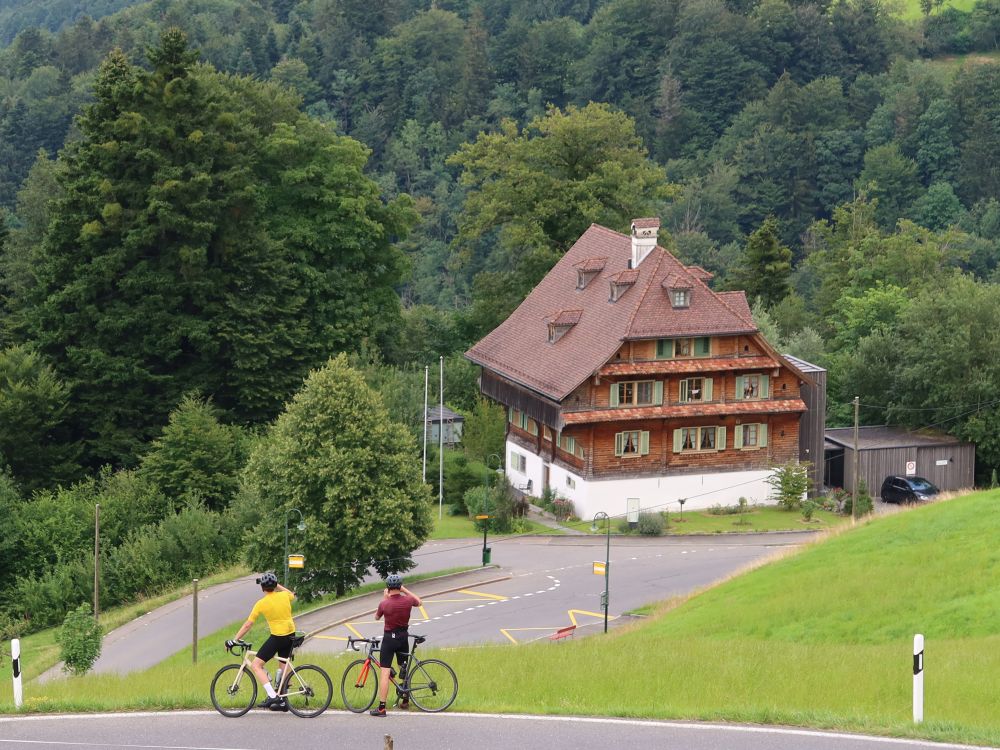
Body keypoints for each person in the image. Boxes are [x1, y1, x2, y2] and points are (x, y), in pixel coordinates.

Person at [226, 572, 296, 712]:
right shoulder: (283, 596)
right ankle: (282, 701)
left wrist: (235, 640)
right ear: (275, 586)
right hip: (290, 635)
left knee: (256, 665)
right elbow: (291, 594)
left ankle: (272, 696)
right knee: (282, 667)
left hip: (278, 636)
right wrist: (277, 585)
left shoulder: (261, 603)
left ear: (262, 588)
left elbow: (248, 624)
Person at [370, 573, 421, 717]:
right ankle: (405, 700)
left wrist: (385, 598)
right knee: (402, 668)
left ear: (387, 588)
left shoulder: (385, 603)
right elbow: (419, 601)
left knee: (384, 673)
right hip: (403, 638)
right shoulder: (408, 600)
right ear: (400, 586)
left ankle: (381, 708)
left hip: (389, 639)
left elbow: (376, 617)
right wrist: (405, 590)